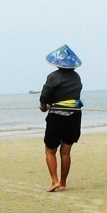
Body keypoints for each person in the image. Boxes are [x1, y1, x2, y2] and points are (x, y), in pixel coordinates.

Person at [39, 45, 83, 191]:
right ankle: (63, 183)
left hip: (57, 116)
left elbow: (45, 94)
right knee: (65, 151)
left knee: (50, 150)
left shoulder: (53, 76)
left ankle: (54, 181)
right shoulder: (76, 77)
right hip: (74, 116)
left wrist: (43, 106)